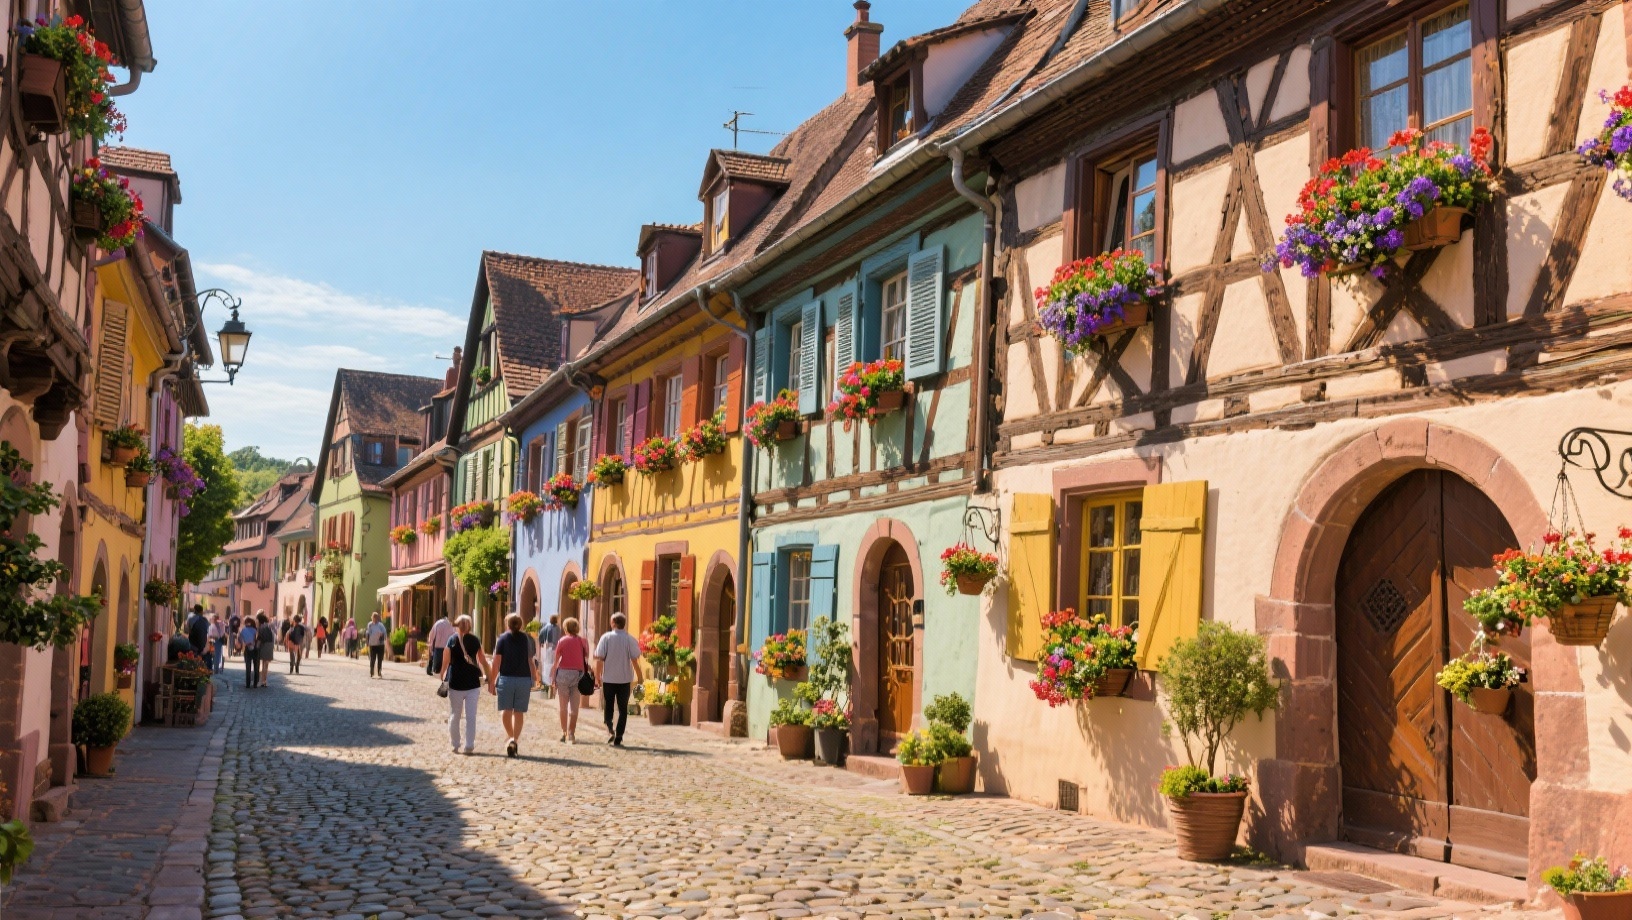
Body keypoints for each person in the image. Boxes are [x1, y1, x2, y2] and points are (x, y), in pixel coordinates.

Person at [488, 613, 540, 757]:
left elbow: (496, 662)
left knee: (506, 710)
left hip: (507, 679)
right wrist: (534, 676)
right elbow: (530, 660)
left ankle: (510, 737)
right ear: (521, 624)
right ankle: (514, 739)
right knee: (518, 712)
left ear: (507, 624)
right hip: (523, 679)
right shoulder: (526, 639)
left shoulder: (502, 639)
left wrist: (492, 681)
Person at [593, 612, 644, 747]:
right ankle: (619, 735)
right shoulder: (629, 639)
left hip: (609, 678)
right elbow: (634, 660)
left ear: (613, 623)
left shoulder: (606, 638)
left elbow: (599, 659)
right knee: (622, 709)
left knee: (608, 706)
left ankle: (610, 730)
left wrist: (597, 677)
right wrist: (640, 676)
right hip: (624, 679)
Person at [441, 615, 488, 755]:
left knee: (455, 715)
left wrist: (443, 675)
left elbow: (446, 660)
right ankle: (469, 745)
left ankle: (455, 744)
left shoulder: (452, 640)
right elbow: (482, 660)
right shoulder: (475, 640)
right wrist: (488, 676)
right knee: (471, 716)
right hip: (473, 683)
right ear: (470, 626)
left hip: (455, 682)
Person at [551, 617, 591, 744]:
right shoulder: (583, 641)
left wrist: (553, 677)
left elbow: (556, 660)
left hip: (563, 673)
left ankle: (563, 732)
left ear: (565, 628)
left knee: (563, 706)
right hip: (578, 674)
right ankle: (571, 733)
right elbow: (586, 658)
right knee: (574, 706)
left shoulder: (562, 640)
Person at [537, 615, 563, 696]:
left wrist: (541, 642)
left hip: (548, 647)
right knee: (554, 665)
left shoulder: (546, 627)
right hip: (556, 648)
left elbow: (540, 635)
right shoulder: (558, 628)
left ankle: (547, 684)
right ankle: (552, 684)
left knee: (547, 665)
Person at [426, 609, 454, 680]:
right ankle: (444, 675)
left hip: (438, 647)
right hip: (447, 647)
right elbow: (453, 635)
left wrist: (430, 644)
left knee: (436, 668)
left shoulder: (437, 623)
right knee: (446, 664)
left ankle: (437, 674)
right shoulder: (450, 624)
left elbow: (432, 634)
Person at [238, 616, 260, 689]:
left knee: (248, 667)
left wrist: (244, 643)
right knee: (256, 667)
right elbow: (257, 639)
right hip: (255, 649)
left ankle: (247, 684)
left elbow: (240, 639)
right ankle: (255, 684)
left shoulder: (243, 630)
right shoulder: (255, 630)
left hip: (247, 648)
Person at [255, 612, 276, 688]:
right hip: (270, 645)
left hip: (264, 645)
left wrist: (256, 647)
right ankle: (264, 681)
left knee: (263, 664)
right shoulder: (268, 626)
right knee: (266, 664)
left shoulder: (261, 628)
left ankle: (262, 681)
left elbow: (259, 638)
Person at [365, 612, 388, 678]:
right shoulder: (370, 625)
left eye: (375, 617)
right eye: (373, 617)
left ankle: (379, 672)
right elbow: (368, 633)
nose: (374, 618)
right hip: (372, 644)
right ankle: (371, 672)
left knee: (380, 659)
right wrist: (367, 642)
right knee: (372, 659)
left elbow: (385, 633)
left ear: (377, 618)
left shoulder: (380, 625)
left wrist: (382, 635)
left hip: (380, 645)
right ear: (371, 617)